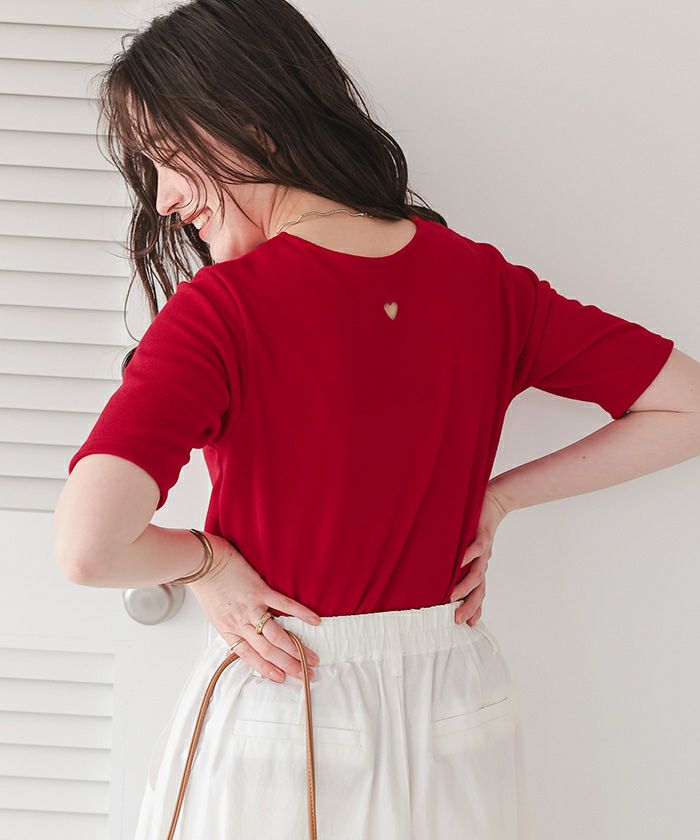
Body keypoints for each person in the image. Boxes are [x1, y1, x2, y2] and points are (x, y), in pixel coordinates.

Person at [51, 1, 700, 837]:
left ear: (250, 121)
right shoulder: (483, 283)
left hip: (289, 697)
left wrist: (209, 563)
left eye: (171, 158)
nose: (166, 198)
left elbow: (88, 548)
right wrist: (496, 500)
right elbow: (686, 404)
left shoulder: (223, 312)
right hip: (459, 702)